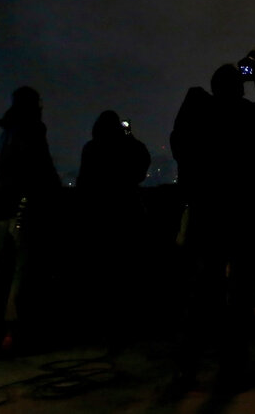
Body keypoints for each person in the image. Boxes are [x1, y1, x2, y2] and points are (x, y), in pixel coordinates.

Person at [169, 50, 255, 394]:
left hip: (207, 215)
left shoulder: (195, 116)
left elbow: (181, 146)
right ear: (239, 88)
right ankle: (232, 368)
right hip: (246, 216)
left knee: (203, 292)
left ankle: (187, 367)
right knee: (241, 295)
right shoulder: (247, 115)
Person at [0, 85, 62, 354]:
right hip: (25, 205)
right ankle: (13, 331)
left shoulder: (5, 133)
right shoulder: (32, 130)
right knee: (22, 269)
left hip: (3, 206)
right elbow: (43, 168)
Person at [77, 109, 151, 348]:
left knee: (101, 276)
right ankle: (125, 327)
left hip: (98, 218)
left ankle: (101, 328)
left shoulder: (91, 148)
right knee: (126, 275)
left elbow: (83, 182)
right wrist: (128, 135)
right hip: (126, 215)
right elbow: (142, 161)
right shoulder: (128, 147)